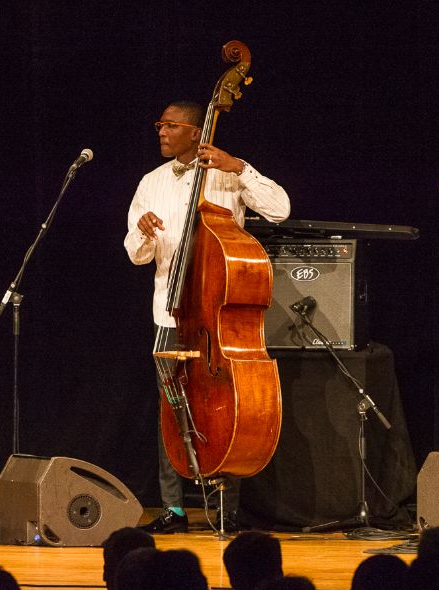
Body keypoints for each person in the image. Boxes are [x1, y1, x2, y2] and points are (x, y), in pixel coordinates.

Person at [125, 100, 290, 533]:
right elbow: (136, 255)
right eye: (159, 124)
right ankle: (173, 509)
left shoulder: (228, 173)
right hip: (170, 312)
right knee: (172, 411)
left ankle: (224, 509)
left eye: (171, 125)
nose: (161, 131)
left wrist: (238, 167)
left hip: (218, 320)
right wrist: (140, 233)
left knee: (225, 409)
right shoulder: (150, 182)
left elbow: (280, 209)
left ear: (197, 131)